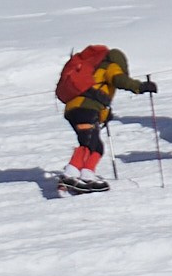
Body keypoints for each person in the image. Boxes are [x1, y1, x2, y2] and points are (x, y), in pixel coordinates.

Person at [61, 48, 156, 194]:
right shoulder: (110, 66)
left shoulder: (92, 69)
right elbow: (120, 80)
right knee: (88, 143)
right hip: (86, 109)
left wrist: (105, 115)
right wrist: (141, 87)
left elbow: (96, 92)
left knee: (95, 145)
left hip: (73, 109)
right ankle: (70, 174)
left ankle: (87, 175)